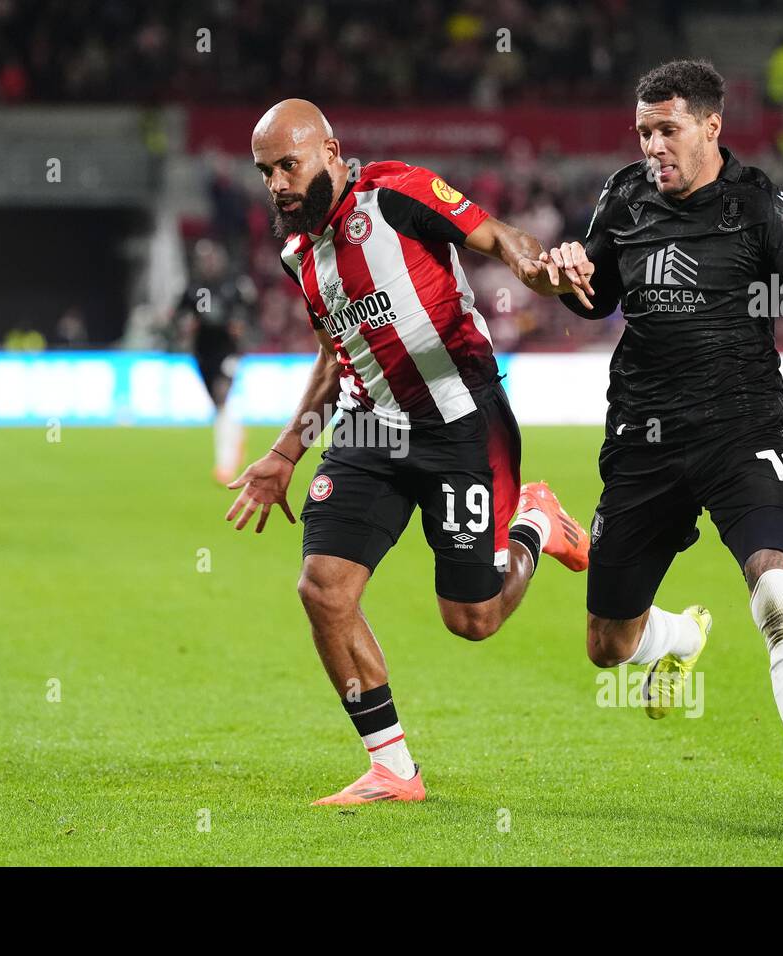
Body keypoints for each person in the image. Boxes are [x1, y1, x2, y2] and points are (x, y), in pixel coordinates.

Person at [546, 60, 783, 838]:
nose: (653, 145)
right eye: (644, 131)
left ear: (711, 126)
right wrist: (568, 280)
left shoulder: (758, 205)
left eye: (669, 129)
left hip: (743, 429)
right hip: (645, 437)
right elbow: (598, 300)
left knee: (778, 590)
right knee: (606, 645)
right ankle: (681, 636)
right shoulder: (623, 196)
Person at [225, 99, 590, 805]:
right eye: (264, 172)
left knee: (472, 619)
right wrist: (284, 454)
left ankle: (535, 523)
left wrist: (541, 272)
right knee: (322, 588)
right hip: (371, 427)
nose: (276, 184)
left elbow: (499, 237)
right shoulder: (299, 255)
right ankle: (392, 767)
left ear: (330, 150)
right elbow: (338, 359)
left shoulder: (398, 194)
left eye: (287, 165)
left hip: (460, 421)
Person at [170, 238, 256, 484]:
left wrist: (243, 327)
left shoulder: (234, 285)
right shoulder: (191, 288)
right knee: (219, 406)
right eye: (203, 260)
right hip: (202, 353)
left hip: (229, 351)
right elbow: (177, 316)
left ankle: (225, 463)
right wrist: (185, 326)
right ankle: (236, 437)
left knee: (222, 395)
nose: (208, 264)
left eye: (212, 259)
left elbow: (251, 311)